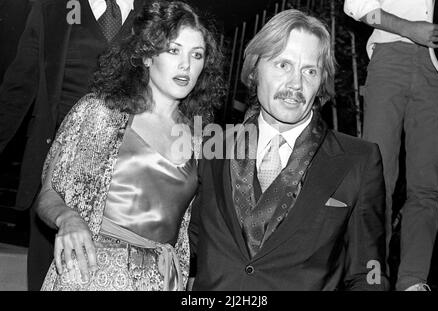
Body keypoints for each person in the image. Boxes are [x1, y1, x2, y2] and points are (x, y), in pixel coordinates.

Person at [188, 9, 389, 291]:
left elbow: (369, 272)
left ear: (321, 82)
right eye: (283, 65)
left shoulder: (359, 161)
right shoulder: (212, 147)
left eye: (310, 71)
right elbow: (189, 244)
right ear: (255, 69)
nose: (296, 84)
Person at [35, 0, 224, 291]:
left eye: (196, 55)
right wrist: (68, 218)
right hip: (90, 272)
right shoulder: (99, 112)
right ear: (147, 55)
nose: (185, 65)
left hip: (160, 280)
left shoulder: (200, 138)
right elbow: (48, 193)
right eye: (173, 50)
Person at [0, 0, 145, 290]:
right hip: (56, 177)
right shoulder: (52, 7)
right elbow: (18, 88)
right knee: (47, 278)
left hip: (131, 181)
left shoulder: (157, 11)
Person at [344, 0, 438, 291]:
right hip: (390, 59)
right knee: (376, 182)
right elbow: (356, 5)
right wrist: (408, 28)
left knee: (426, 187)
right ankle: (371, 279)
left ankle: (414, 282)